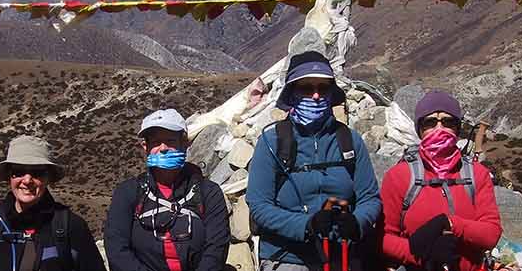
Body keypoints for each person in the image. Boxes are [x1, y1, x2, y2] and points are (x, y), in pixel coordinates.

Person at [247, 51, 381, 271]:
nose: (316, 95)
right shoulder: (272, 142)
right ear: (292, 93)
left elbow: (370, 197)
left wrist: (357, 222)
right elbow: (259, 206)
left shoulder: (350, 141)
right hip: (287, 258)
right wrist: (306, 225)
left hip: (343, 256)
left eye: (323, 88)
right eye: (306, 88)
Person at [378, 91, 501, 271]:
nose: (439, 128)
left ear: (457, 129)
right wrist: (423, 257)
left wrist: (451, 223)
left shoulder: (477, 174)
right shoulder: (399, 176)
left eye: (448, 121)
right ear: (420, 129)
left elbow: (491, 234)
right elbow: (383, 237)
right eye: (430, 122)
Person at [104, 109, 230, 271]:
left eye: (170, 141)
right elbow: (116, 249)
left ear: (185, 143)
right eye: (155, 142)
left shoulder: (208, 192)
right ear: (145, 146)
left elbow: (216, 248)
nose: (163, 148)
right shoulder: (128, 192)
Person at [0, 135, 106, 271]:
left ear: (48, 177)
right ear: (9, 176)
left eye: (36, 172)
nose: (27, 180)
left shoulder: (71, 226)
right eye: (18, 171)